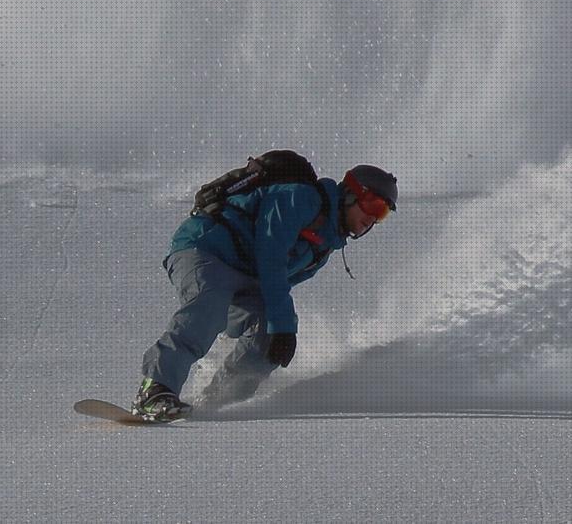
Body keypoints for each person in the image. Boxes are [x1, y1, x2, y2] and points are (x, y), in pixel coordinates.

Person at [132, 163, 398, 420]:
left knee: (268, 337)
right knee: (210, 305)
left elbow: (276, 286)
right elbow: (271, 256)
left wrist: (275, 328)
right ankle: (155, 390)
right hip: (206, 248)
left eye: (383, 213)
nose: (373, 219)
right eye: (373, 205)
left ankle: (216, 400)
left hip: (245, 278)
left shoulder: (324, 248)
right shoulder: (301, 198)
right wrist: (283, 324)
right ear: (351, 194)